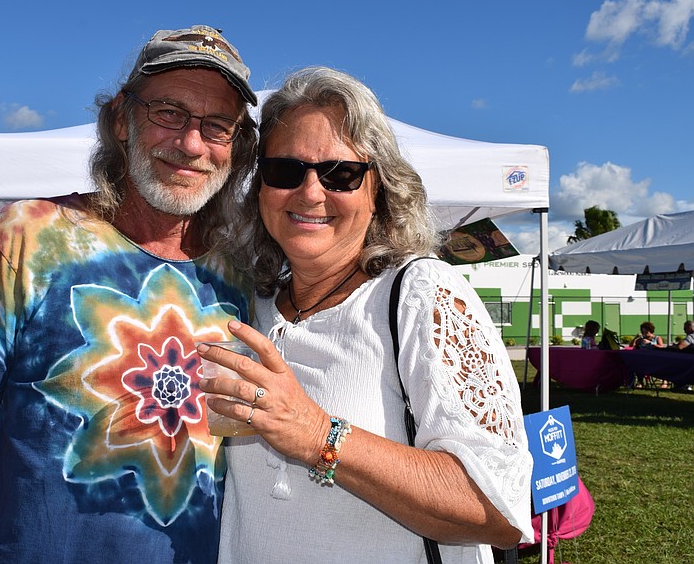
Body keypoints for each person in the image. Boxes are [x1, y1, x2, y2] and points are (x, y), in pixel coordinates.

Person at [0, 25, 257, 564]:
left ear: (237, 147)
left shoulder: (244, 275)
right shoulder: (30, 238)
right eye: (169, 113)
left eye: (217, 126)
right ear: (120, 120)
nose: (191, 144)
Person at [198, 67, 533, 563]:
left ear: (378, 189)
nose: (310, 192)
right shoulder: (247, 304)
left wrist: (318, 434)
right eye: (285, 170)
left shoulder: (422, 294)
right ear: (260, 188)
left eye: (340, 173)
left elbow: (497, 510)